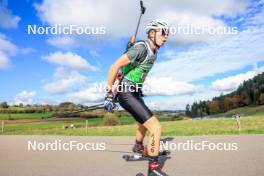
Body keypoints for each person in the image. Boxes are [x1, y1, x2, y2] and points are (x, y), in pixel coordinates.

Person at [104, 19, 169, 172]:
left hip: (134, 92)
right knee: (156, 128)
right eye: (163, 33)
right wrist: (109, 93)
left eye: (168, 34)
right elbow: (114, 66)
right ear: (152, 33)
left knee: (144, 122)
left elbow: (129, 67)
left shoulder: (153, 51)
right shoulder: (141, 48)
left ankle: (138, 146)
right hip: (126, 93)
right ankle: (153, 169)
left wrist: (128, 48)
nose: (166, 37)